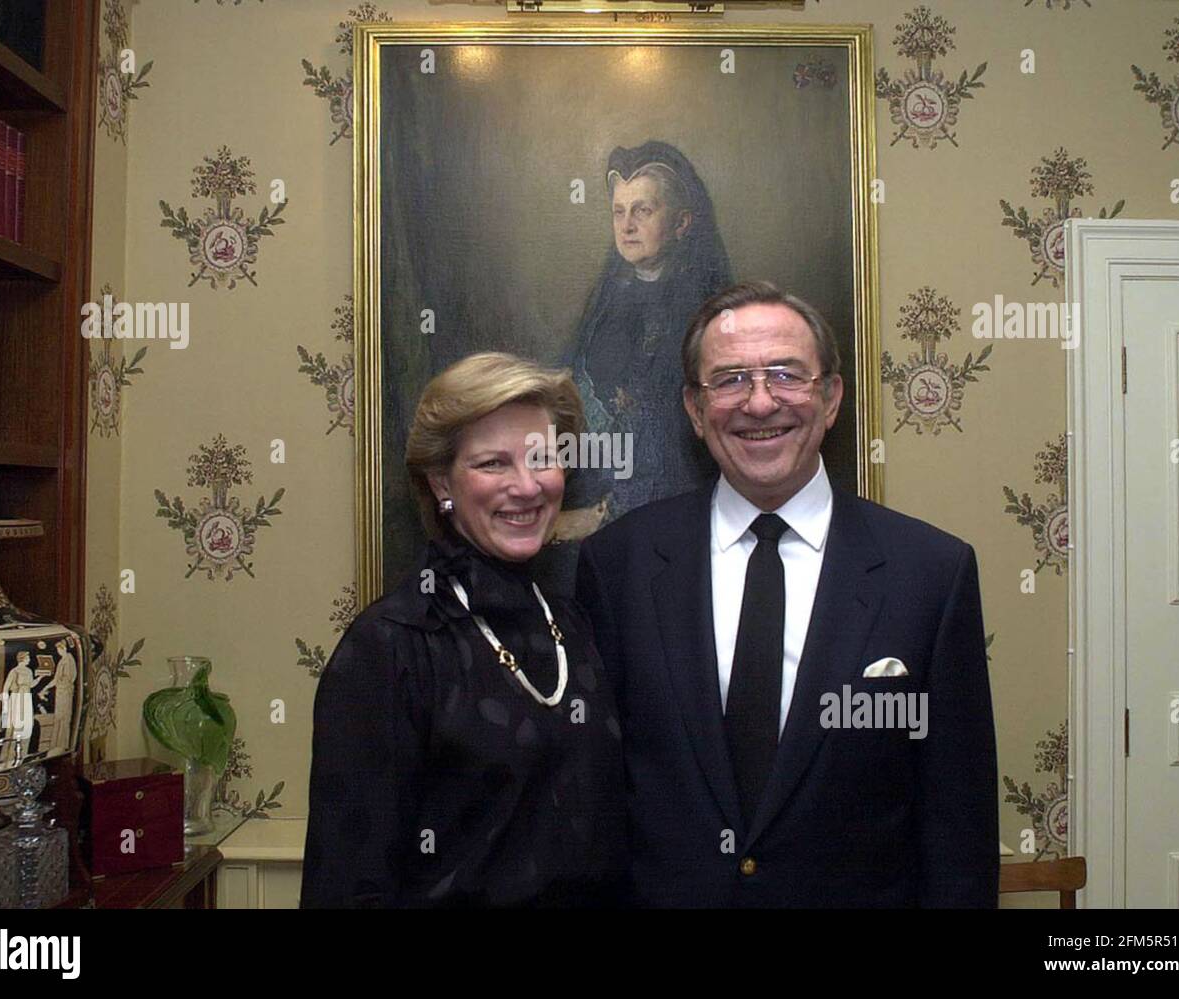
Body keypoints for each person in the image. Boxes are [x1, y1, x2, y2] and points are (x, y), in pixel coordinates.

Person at [576, 280, 999, 907]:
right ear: (695, 410)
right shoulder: (620, 566)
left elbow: (957, 829)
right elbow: (594, 803)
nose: (760, 402)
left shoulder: (930, 573)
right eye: (729, 380)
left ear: (830, 398)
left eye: (785, 375)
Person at [302, 352, 624, 908]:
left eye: (542, 458)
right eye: (493, 464)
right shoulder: (393, 645)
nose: (526, 487)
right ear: (439, 481)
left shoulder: (571, 626)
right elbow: (349, 888)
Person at [565, 140, 733, 530]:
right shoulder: (608, 303)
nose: (627, 226)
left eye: (643, 210)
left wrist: (598, 515)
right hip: (591, 480)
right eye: (619, 212)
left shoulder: (706, 317)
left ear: (681, 223)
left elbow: (677, 450)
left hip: (669, 512)